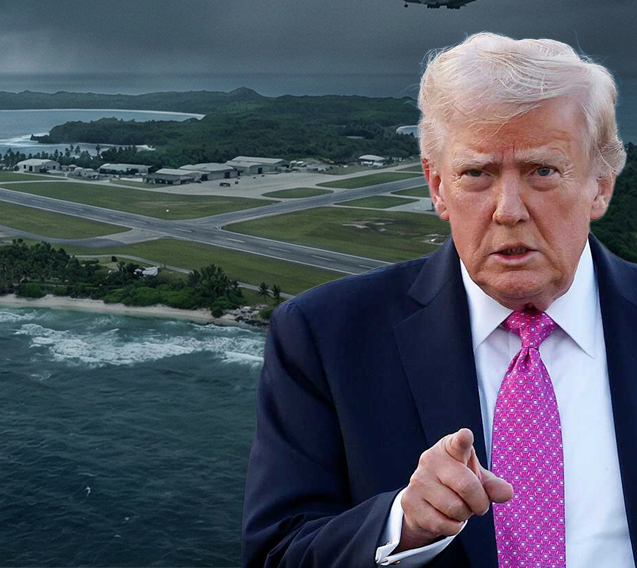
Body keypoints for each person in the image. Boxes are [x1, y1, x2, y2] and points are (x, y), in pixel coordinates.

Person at [244, 33, 637, 567]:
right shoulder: (323, 337)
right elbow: (277, 555)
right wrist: (401, 525)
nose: (508, 210)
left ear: (601, 186)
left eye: (542, 171)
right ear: (436, 187)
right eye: (476, 173)